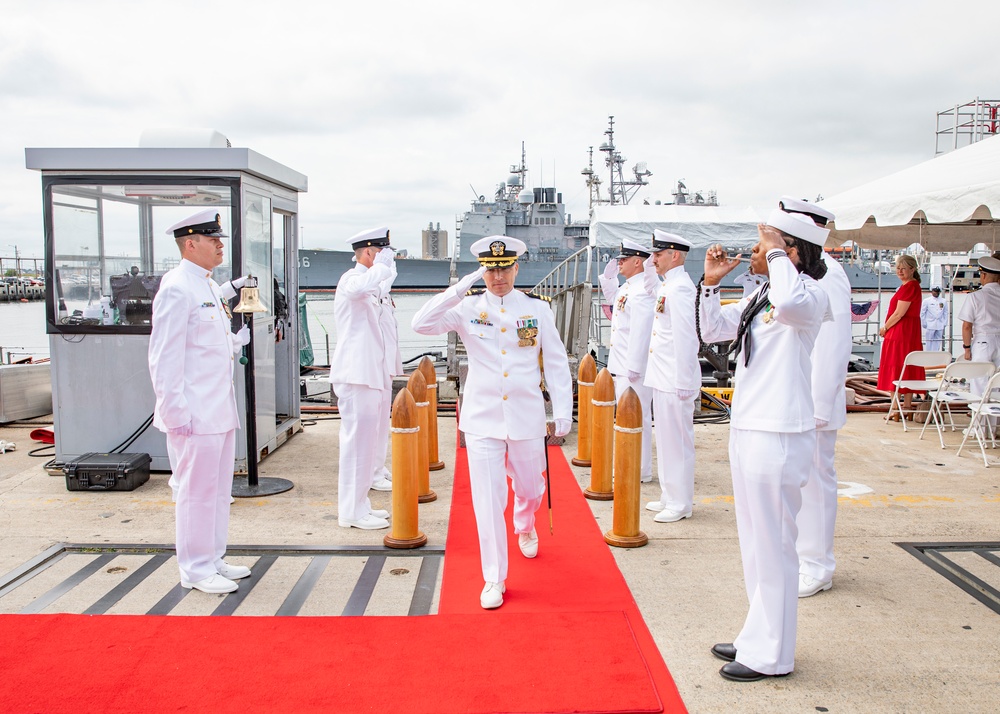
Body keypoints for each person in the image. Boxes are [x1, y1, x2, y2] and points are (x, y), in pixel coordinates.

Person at [698, 205, 831, 682]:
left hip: (779, 431)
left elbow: (792, 305)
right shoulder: (762, 295)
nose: (752, 254)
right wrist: (711, 283)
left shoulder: (810, 293)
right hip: (750, 426)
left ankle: (772, 653)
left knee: (775, 544)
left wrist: (775, 252)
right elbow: (713, 330)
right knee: (755, 542)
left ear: (789, 252)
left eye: (762, 247)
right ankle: (759, 630)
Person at [412, 235, 572, 610]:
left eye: (504, 268)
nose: (497, 276)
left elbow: (557, 361)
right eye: (490, 270)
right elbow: (421, 324)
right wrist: (459, 287)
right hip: (483, 418)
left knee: (531, 487)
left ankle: (526, 520)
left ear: (516, 268)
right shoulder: (466, 308)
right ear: (482, 271)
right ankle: (494, 577)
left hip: (527, 416)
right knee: (487, 501)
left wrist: (561, 411)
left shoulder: (538, 309)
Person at [148, 209, 252, 594]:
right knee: (195, 492)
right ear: (190, 244)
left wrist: (234, 341)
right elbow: (164, 356)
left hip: (219, 409)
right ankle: (194, 569)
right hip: (193, 413)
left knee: (218, 490)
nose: (220, 245)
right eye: (213, 240)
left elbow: (209, 339)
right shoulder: (177, 287)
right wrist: (175, 413)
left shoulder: (207, 285)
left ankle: (212, 558)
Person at [777, 197, 853, 599]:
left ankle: (818, 564)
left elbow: (835, 342)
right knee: (801, 481)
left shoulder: (830, 273)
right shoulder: (803, 272)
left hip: (815, 401)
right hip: (798, 398)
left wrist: (821, 403)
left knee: (817, 480)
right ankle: (806, 557)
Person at [330, 227, 402, 530]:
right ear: (370, 252)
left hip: (370, 372)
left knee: (367, 440)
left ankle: (360, 505)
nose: (387, 258)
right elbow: (358, 288)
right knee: (356, 445)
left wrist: (388, 270)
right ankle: (350, 511)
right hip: (356, 374)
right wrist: (381, 267)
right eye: (382, 252)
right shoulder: (352, 279)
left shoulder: (371, 285)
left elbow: (379, 290)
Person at [642, 230, 700, 523]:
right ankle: (669, 494)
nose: (653, 259)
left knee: (677, 442)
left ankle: (680, 503)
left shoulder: (681, 290)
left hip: (675, 379)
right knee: (665, 441)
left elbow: (687, 339)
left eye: (658, 254)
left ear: (674, 255)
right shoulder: (669, 286)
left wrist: (684, 381)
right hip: (663, 377)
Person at [598, 238, 656, 482]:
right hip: (622, 365)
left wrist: (634, 366)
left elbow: (641, 331)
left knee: (636, 416)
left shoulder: (643, 289)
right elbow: (617, 302)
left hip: (633, 367)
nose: (619, 262)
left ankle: (639, 469)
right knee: (626, 416)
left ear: (637, 261)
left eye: (624, 259)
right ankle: (630, 463)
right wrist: (609, 279)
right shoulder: (630, 286)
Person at [877, 254, 924, 421]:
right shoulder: (912, 286)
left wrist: (885, 327)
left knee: (895, 366)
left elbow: (899, 313)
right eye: (898, 268)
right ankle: (906, 407)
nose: (900, 271)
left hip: (900, 332)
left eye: (903, 268)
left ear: (912, 269)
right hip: (909, 332)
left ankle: (896, 408)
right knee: (908, 367)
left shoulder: (909, 287)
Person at [958, 256, 1000, 403]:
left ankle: (980, 426)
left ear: (983, 275)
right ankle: (993, 425)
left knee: (980, 384)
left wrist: (967, 348)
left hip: (983, 342)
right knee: (996, 386)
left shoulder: (976, 296)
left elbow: (967, 326)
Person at [920, 286, 948, 352]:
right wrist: (923, 322)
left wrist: (945, 322)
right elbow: (922, 312)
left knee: (938, 340)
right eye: (934, 291)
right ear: (932, 291)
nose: (936, 293)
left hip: (940, 323)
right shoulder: (927, 301)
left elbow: (945, 312)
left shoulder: (943, 301)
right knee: (929, 339)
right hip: (930, 323)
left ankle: (936, 352)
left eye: (937, 292)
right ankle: (929, 352)